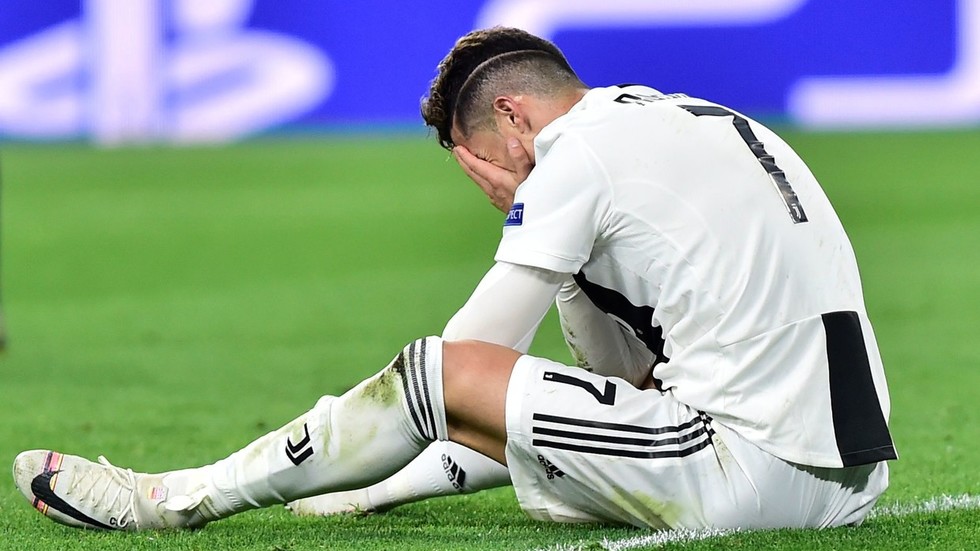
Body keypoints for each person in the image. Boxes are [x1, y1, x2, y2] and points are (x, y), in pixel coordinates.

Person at [13, 27, 897, 531]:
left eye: (480, 164)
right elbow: (611, 394)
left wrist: (532, 211)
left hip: (749, 470)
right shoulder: (686, 123)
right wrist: (379, 486)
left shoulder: (575, 156)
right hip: (848, 480)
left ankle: (170, 500)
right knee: (510, 396)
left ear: (513, 116)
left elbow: (461, 369)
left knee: (440, 366)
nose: (490, 189)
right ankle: (366, 489)